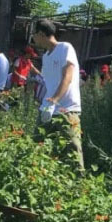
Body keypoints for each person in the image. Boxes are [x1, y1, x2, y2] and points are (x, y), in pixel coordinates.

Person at [32, 19, 84, 172]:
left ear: (41, 34)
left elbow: (67, 77)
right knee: (38, 145)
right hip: (47, 108)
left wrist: (55, 99)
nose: (34, 39)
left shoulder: (65, 48)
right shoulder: (46, 56)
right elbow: (50, 81)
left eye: (34, 35)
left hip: (66, 109)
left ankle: (80, 185)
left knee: (72, 147)